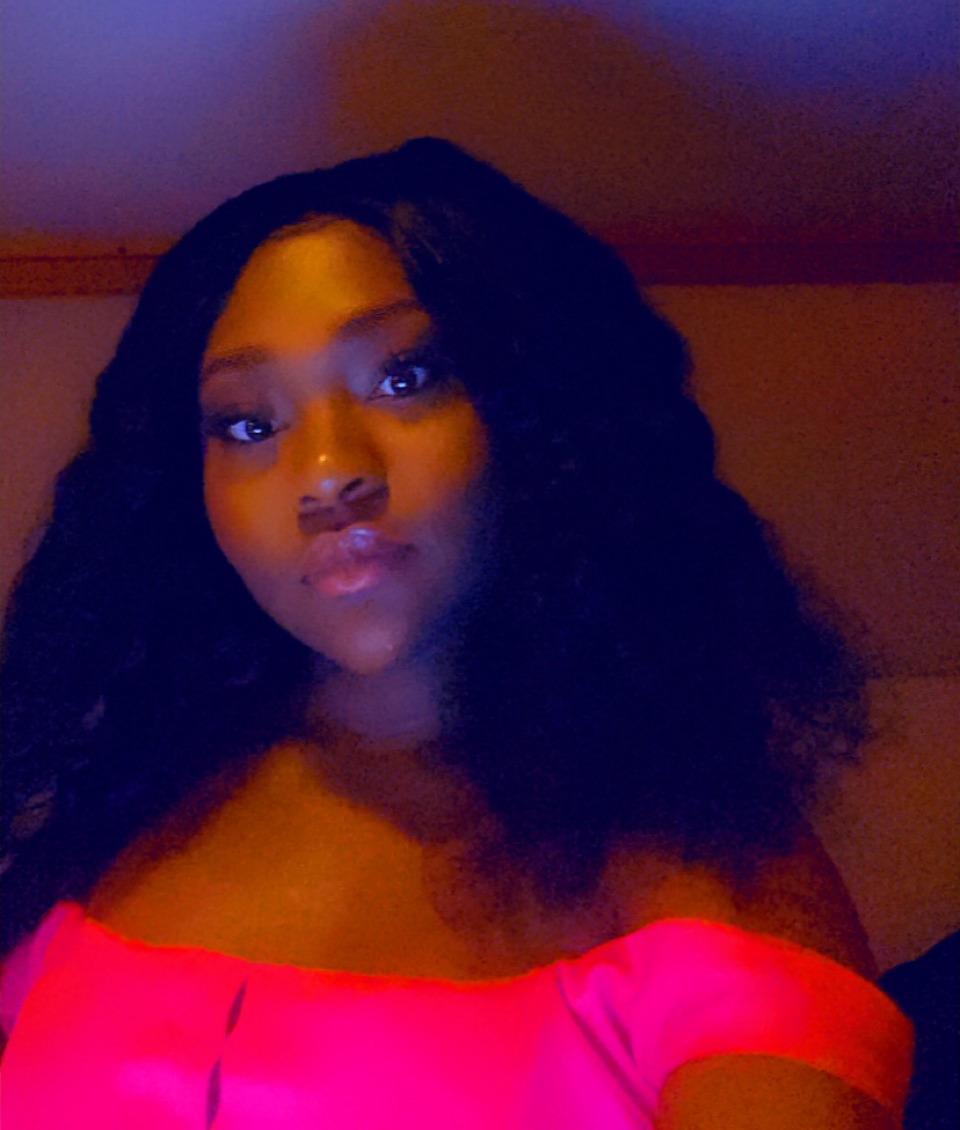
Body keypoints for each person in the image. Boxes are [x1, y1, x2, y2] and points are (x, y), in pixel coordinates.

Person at [0, 137, 913, 1126]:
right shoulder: (117, 813)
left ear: (538, 415)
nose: (329, 473)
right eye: (249, 425)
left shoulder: (708, 873)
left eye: (404, 378)